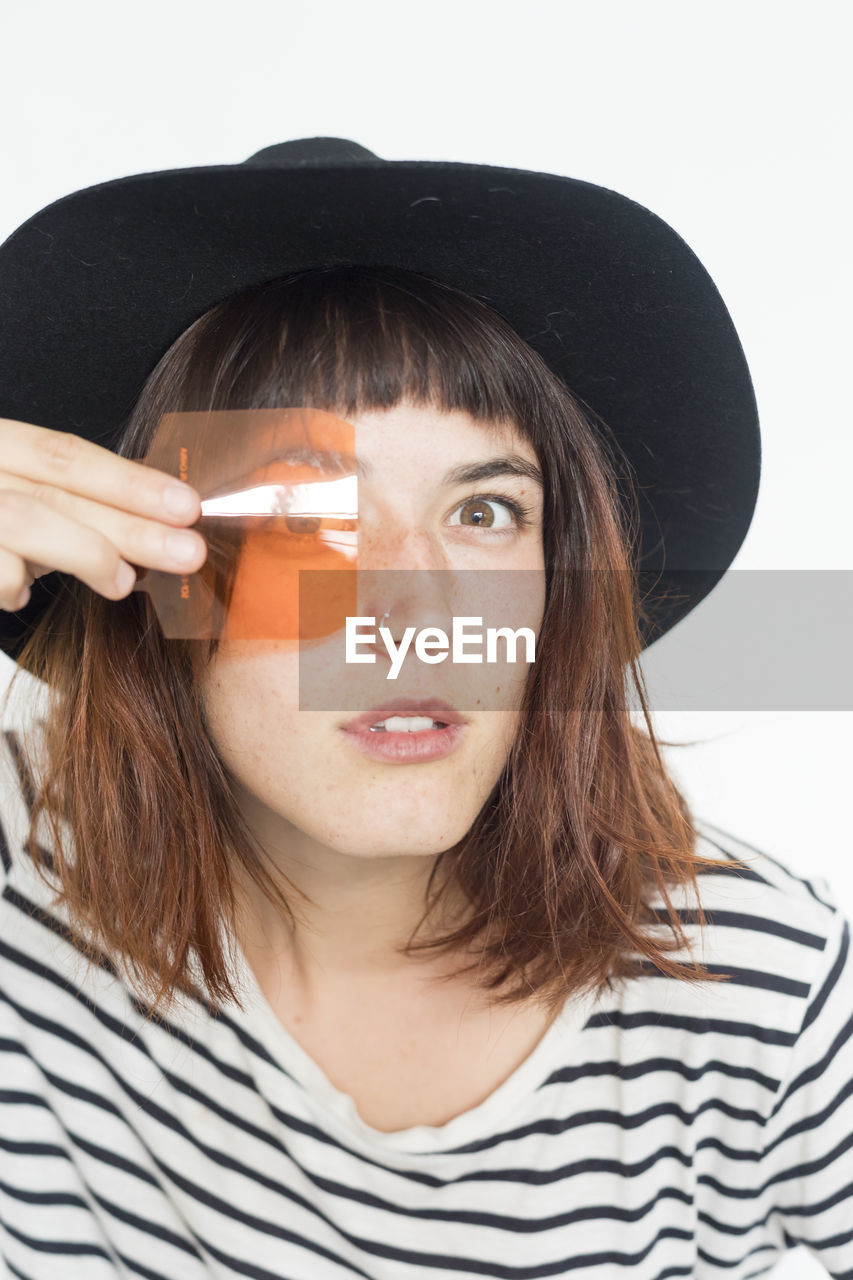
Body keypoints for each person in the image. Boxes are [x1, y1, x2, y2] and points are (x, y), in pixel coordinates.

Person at [0, 138, 850, 1280]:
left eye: (488, 511)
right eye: (304, 516)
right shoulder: (22, 854)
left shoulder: (762, 979)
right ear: (158, 582)